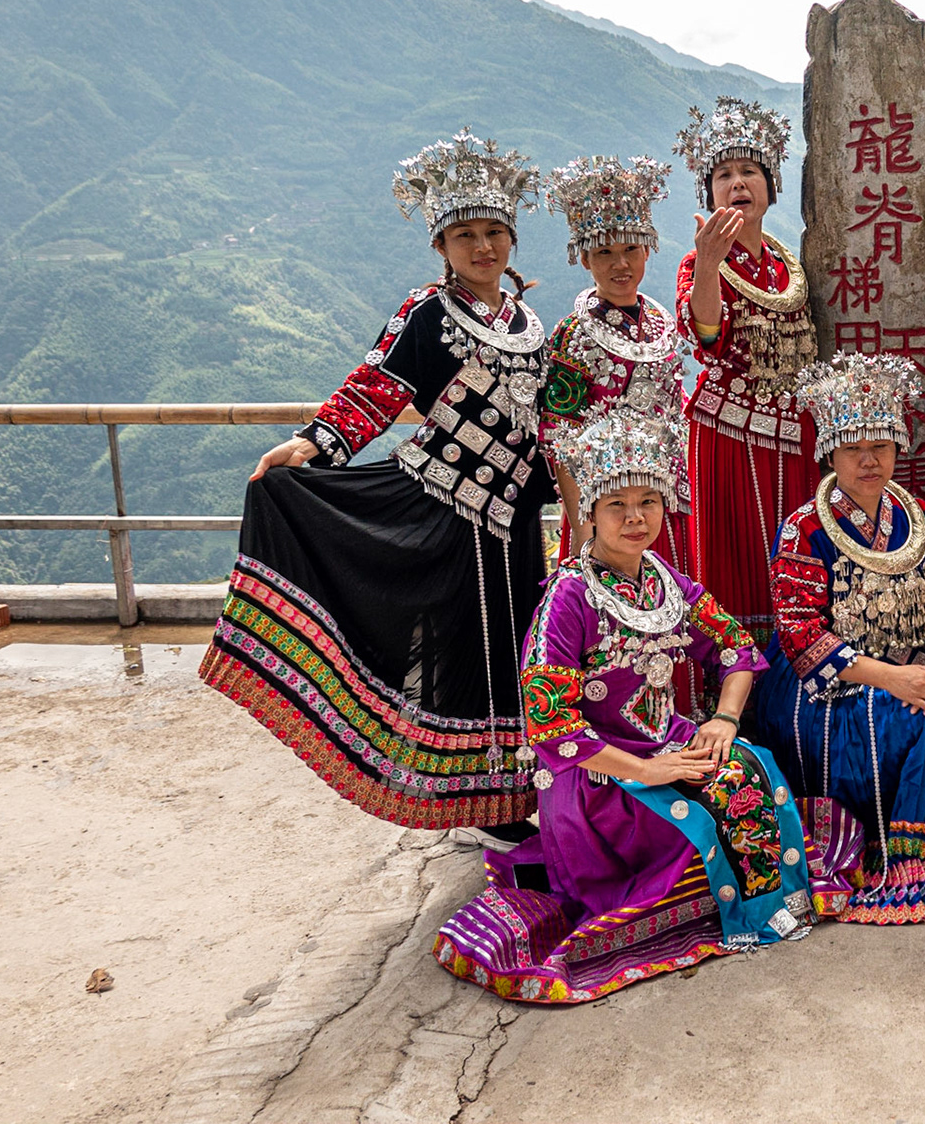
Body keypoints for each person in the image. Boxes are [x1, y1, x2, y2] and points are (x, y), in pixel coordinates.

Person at [199, 129, 551, 841]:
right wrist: (312, 440)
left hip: (511, 519)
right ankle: (469, 800)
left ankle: (514, 790)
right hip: (444, 506)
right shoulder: (425, 312)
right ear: (442, 248)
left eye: (493, 232)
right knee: (459, 648)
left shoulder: (528, 322)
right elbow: (375, 388)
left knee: (516, 646)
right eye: (465, 236)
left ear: (510, 237)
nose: (483, 248)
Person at [433, 409, 856, 1002]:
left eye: (648, 502)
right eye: (617, 506)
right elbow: (552, 723)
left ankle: (758, 903)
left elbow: (734, 649)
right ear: (589, 515)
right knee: (697, 827)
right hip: (596, 775)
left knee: (754, 770)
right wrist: (650, 770)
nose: (636, 519)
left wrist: (724, 720)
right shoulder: (567, 600)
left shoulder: (665, 579)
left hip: (669, 740)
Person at [751, 353, 925, 923]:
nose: (868, 460)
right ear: (828, 451)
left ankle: (920, 831)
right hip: (829, 687)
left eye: (880, 446)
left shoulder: (917, 515)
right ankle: (909, 844)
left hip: (913, 673)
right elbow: (802, 637)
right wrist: (898, 678)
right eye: (854, 447)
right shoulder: (805, 528)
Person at [674, 96, 818, 632]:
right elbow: (707, 337)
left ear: (769, 185)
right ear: (710, 192)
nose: (738, 184)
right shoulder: (699, 261)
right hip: (728, 433)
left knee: (795, 555)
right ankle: (738, 682)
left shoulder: (788, 264)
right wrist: (709, 265)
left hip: (794, 433)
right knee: (736, 559)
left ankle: (798, 666)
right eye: (725, 175)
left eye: (749, 172)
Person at [541, 154, 691, 570]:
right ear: (585, 260)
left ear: (647, 252)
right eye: (604, 251)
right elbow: (560, 439)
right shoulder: (573, 334)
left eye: (630, 249)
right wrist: (583, 531)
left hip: (664, 506)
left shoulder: (663, 324)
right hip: (604, 516)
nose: (620, 263)